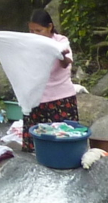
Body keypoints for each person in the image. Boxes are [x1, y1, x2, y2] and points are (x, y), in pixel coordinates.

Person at [22, 9, 78, 150]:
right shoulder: (29, 43)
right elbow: (11, 56)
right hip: (36, 98)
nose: (34, 34)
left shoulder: (60, 41)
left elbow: (66, 63)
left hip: (61, 99)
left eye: (38, 30)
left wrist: (61, 55)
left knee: (63, 140)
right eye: (31, 31)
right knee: (35, 145)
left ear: (50, 27)